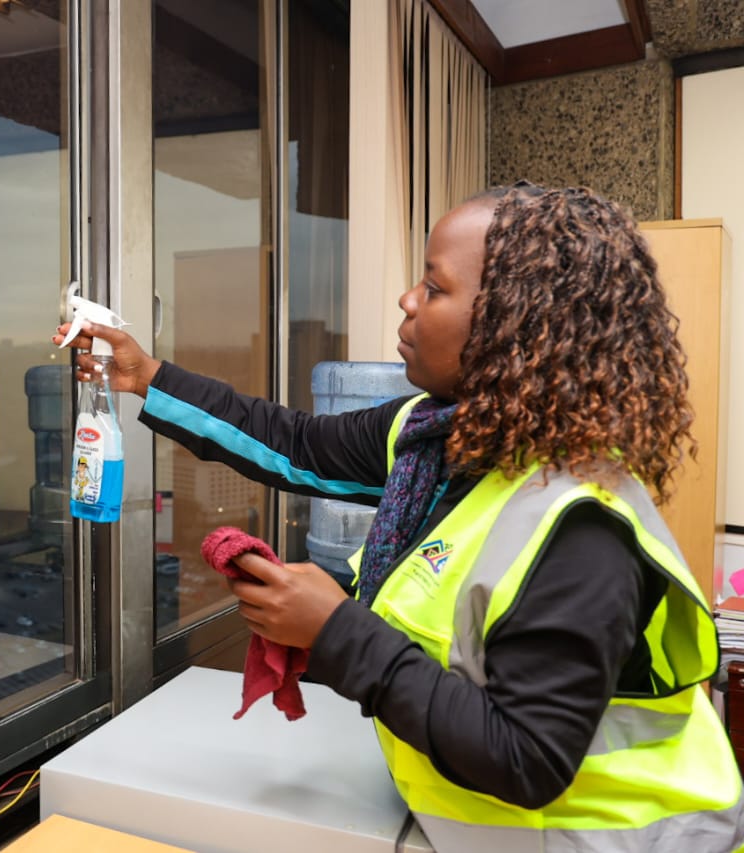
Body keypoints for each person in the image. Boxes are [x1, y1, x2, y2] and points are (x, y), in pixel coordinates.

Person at [54, 184, 744, 852]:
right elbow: (294, 443)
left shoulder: (582, 525)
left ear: (516, 323)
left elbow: (527, 758)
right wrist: (148, 376)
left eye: (435, 287)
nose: (406, 299)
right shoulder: (436, 434)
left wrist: (336, 630)